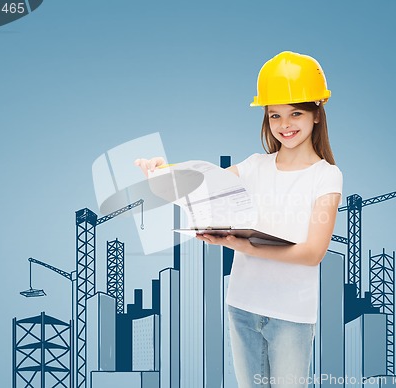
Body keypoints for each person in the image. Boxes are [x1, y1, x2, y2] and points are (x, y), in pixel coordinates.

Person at [135, 51, 342, 388]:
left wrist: (242, 244)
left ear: (317, 113)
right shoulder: (253, 166)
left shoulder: (326, 176)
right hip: (243, 306)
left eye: (295, 113)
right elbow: (202, 184)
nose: (285, 125)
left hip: (291, 316)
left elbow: (313, 253)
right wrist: (161, 173)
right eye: (275, 115)